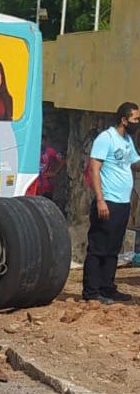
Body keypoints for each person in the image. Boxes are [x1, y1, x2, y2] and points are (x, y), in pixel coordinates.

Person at [83, 101, 140, 303]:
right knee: (98, 247)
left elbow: (133, 164)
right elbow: (94, 168)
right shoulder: (106, 139)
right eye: (135, 119)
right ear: (124, 120)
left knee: (113, 248)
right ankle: (91, 292)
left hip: (123, 203)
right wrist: (100, 200)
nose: (137, 123)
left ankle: (108, 287)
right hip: (107, 201)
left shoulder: (127, 141)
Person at [37, 135, 65, 200]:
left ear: (45, 141)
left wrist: (55, 172)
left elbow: (62, 160)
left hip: (47, 185)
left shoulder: (50, 150)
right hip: (34, 184)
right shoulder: (31, 150)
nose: (41, 143)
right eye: (40, 141)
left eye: (42, 141)